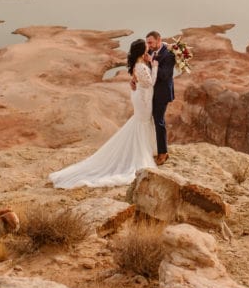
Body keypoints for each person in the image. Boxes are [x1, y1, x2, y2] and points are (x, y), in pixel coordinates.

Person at [48, 39, 158, 189]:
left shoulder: (138, 64)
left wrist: (144, 70)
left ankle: (141, 151)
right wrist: (154, 66)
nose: (148, 48)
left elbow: (137, 81)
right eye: (146, 47)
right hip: (143, 100)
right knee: (142, 122)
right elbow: (150, 83)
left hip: (140, 96)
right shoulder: (141, 65)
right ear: (141, 51)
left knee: (140, 123)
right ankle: (139, 155)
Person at [145, 30, 175, 165]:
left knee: (159, 121)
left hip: (162, 93)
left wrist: (152, 62)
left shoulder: (169, 55)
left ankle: (163, 153)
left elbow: (165, 75)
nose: (148, 45)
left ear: (159, 40)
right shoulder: (151, 51)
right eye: (147, 42)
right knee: (150, 120)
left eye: (150, 42)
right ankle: (153, 148)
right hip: (150, 93)